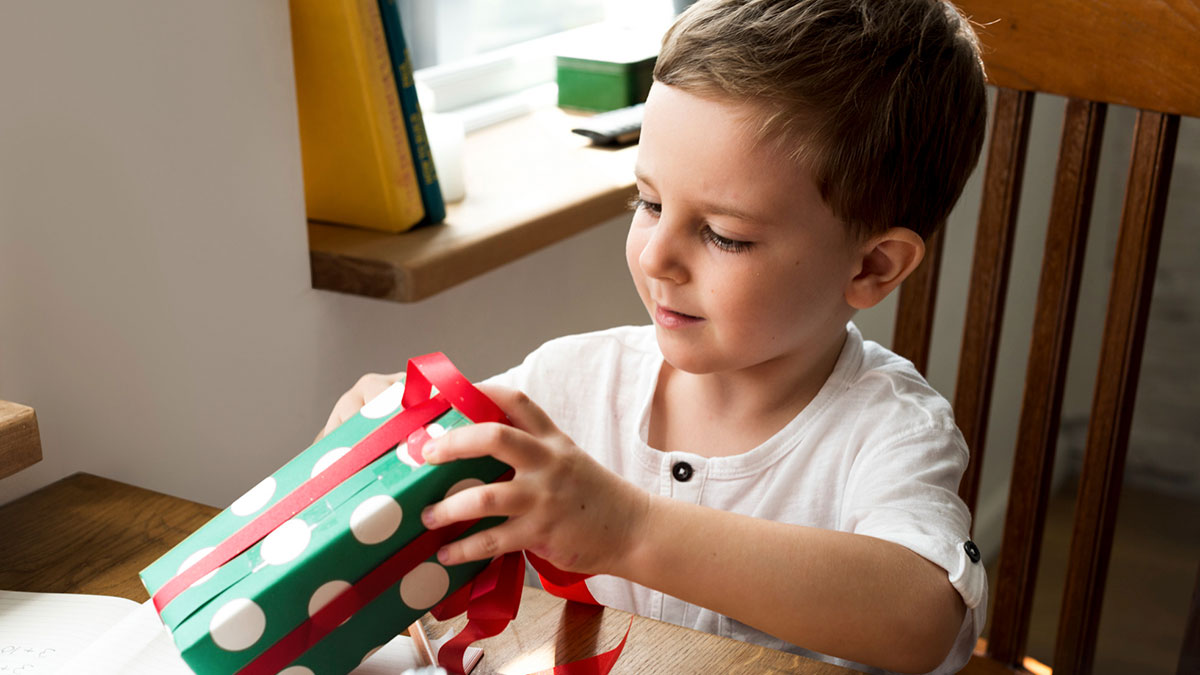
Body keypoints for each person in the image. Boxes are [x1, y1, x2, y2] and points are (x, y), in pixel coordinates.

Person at [320, 1, 989, 671]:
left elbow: (921, 616)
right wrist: (397, 435)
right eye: (649, 202)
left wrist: (630, 530)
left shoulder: (893, 432)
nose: (654, 256)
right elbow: (452, 471)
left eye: (724, 234)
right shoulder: (568, 383)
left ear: (871, 266)